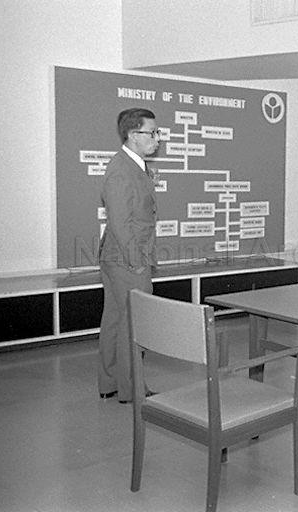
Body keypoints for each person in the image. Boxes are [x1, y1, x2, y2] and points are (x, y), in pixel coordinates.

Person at [97, 108, 161, 404]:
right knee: (133, 322)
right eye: (152, 133)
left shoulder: (132, 165)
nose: (157, 139)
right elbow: (120, 223)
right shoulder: (122, 169)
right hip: (127, 258)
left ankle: (110, 382)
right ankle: (131, 387)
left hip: (118, 256)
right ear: (133, 135)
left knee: (115, 319)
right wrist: (137, 261)